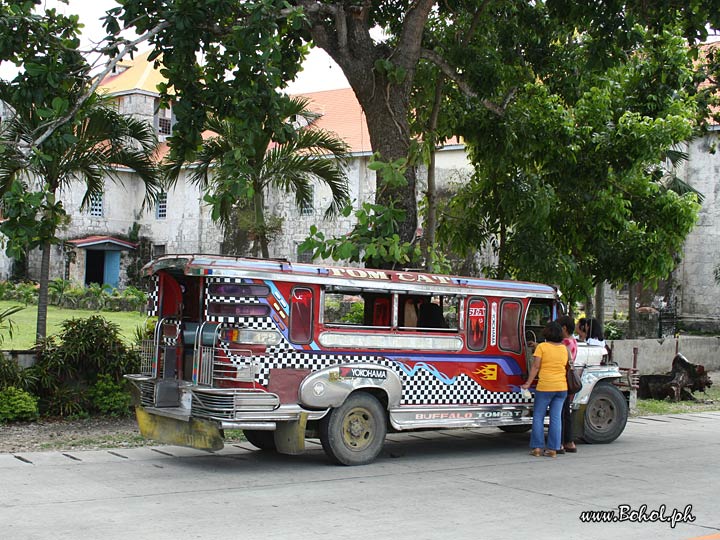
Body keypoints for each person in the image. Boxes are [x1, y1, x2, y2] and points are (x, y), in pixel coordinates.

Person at [521, 320, 568, 458]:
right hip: (561, 387)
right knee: (556, 418)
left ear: (546, 332)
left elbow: (535, 367)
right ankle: (553, 449)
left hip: (545, 386)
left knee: (538, 416)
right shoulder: (564, 348)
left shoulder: (542, 347)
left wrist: (528, 383)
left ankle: (537, 448)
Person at [557, 315, 578, 454]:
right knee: (566, 412)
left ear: (564, 328)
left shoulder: (564, 343)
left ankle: (561, 442)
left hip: (562, 380)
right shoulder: (573, 341)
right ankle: (569, 441)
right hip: (568, 381)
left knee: (560, 413)